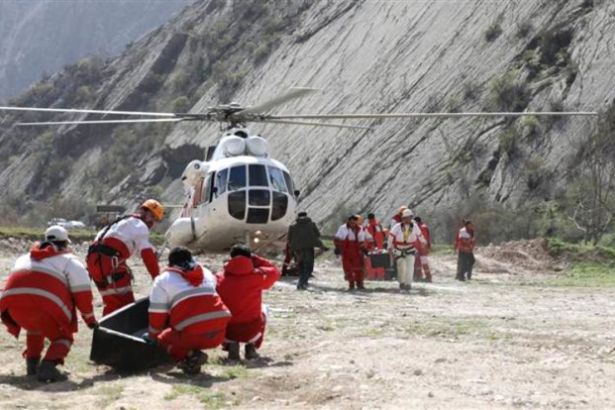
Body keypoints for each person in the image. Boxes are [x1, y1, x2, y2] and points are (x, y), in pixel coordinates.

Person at [0, 226, 97, 382]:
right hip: (45, 306)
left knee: (34, 328)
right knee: (63, 337)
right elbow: (83, 294)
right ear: (65, 243)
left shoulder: (24, 258)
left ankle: (32, 365)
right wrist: (90, 320)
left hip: (13, 307)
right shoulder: (70, 261)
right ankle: (48, 366)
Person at [147, 247, 230, 375]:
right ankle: (192, 355)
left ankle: (190, 356)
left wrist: (153, 336)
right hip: (218, 334)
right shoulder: (206, 272)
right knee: (189, 327)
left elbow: (157, 314)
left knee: (163, 338)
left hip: (193, 334)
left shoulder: (163, 279)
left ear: (170, 263)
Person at [86, 199, 164, 315]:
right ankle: (115, 331)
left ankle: (105, 330)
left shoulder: (123, 222)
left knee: (112, 302)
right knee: (124, 303)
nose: (152, 224)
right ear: (149, 216)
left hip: (94, 262)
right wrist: (158, 280)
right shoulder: (140, 226)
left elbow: (129, 246)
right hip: (109, 263)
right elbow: (147, 256)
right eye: (154, 219)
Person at [216, 245, 280, 361]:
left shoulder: (219, 277)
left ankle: (230, 344)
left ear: (231, 258)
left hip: (227, 332)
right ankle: (251, 346)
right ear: (249, 258)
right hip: (251, 330)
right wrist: (256, 259)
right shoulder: (257, 276)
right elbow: (275, 271)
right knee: (264, 308)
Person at [388, 209, 425, 291]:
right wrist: (389, 246)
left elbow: (420, 235)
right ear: (403, 218)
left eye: (409, 218)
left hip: (410, 248)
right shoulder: (397, 226)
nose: (407, 219)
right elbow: (391, 236)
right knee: (401, 267)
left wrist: (423, 242)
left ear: (411, 218)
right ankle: (402, 282)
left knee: (410, 267)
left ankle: (408, 284)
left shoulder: (414, 226)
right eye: (405, 218)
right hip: (399, 248)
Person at [287, 211, 325, 290]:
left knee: (301, 266)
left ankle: (302, 282)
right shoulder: (311, 224)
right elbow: (318, 234)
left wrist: (292, 248)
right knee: (309, 266)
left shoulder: (292, 226)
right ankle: (302, 283)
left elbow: (289, 239)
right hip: (308, 248)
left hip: (297, 250)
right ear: (306, 216)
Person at [334, 215, 368, 290]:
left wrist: (364, 249)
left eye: (354, 221)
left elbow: (361, 240)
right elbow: (337, 238)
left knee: (358, 268)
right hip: (346, 250)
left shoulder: (360, 228)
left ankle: (360, 283)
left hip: (356, 250)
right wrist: (337, 248)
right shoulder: (342, 228)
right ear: (348, 221)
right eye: (351, 221)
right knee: (347, 268)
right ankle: (351, 283)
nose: (353, 223)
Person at [364, 213, 386, 280]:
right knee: (380, 261)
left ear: (368, 219)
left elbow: (368, 238)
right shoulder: (379, 225)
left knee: (370, 262)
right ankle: (380, 276)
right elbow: (383, 235)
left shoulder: (369, 226)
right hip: (380, 246)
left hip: (372, 246)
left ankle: (371, 276)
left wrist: (366, 247)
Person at [413, 216, 433, 283]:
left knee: (420, 262)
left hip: (421, 248)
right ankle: (424, 276)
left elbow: (422, 239)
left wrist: (418, 248)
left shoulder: (421, 227)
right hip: (423, 248)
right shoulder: (423, 226)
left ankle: (425, 277)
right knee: (421, 262)